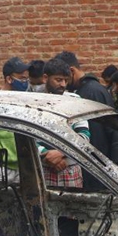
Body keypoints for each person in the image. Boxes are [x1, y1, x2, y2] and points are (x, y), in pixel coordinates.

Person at [55, 51, 118, 188]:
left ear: (71, 71)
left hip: (96, 167)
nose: (64, 84)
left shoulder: (90, 93)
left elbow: (96, 137)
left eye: (65, 78)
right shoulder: (90, 90)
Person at [39, 58, 90, 188]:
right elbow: (27, 136)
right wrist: (46, 154)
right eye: (58, 79)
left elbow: (84, 136)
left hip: (70, 168)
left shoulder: (75, 101)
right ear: (46, 78)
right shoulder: (34, 101)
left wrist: (61, 153)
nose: (63, 84)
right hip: (42, 169)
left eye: (66, 80)